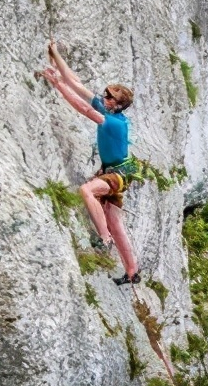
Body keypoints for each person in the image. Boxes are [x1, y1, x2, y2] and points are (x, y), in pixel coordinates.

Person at [41, 40, 142, 285]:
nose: (104, 97)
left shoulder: (113, 121)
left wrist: (57, 85)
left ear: (117, 106)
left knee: (87, 191)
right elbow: (77, 83)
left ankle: (104, 239)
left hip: (118, 174)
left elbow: (84, 109)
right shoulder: (111, 112)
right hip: (117, 170)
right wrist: (55, 55)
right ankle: (132, 272)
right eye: (106, 95)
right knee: (117, 222)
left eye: (109, 97)